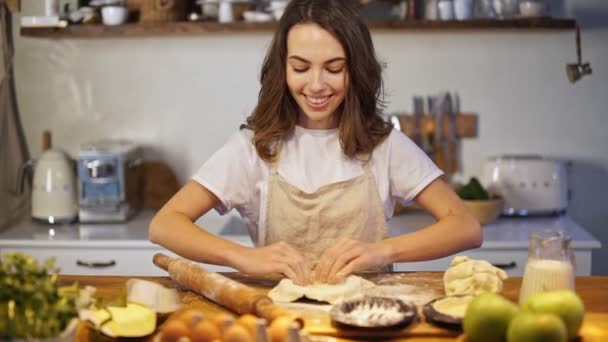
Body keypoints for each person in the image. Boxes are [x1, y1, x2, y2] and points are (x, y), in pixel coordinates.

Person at [149, 0, 482, 286]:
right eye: (301, 67)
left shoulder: (385, 146)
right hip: (279, 322)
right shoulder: (253, 148)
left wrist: (382, 251)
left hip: (371, 320)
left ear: (356, 71)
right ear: (282, 70)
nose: (316, 84)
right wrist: (242, 257)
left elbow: (465, 226)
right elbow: (165, 224)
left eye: (334, 68)